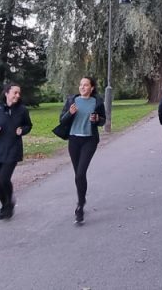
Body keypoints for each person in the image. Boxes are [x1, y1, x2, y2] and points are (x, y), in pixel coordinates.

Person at [59, 76, 107, 223]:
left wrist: (97, 119)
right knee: (78, 175)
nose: (82, 87)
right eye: (81, 85)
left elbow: (103, 120)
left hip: (89, 140)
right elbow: (62, 119)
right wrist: (70, 113)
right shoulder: (72, 100)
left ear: (92, 88)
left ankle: (80, 206)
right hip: (74, 140)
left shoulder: (97, 102)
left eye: (86, 85)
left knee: (81, 173)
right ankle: (82, 199)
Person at [0, 83, 32, 220]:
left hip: (13, 148)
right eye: (15, 93)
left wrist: (22, 130)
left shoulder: (22, 110)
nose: (17, 95)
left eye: (19, 93)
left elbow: (28, 125)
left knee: (4, 178)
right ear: (7, 93)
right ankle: (5, 206)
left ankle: (9, 202)